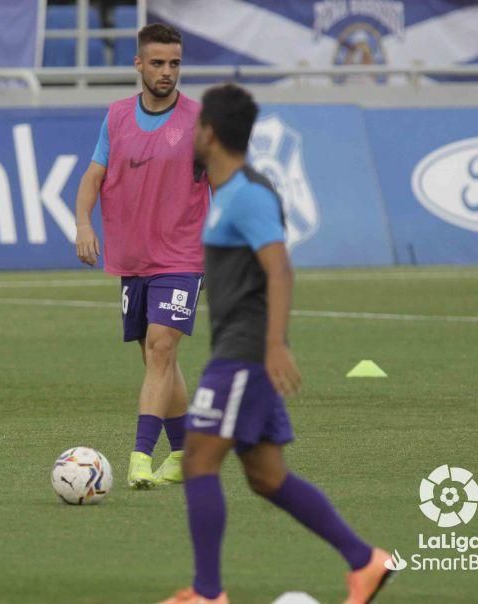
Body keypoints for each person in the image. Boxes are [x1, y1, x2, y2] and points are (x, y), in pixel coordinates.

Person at [158, 83, 393, 604]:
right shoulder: (227, 194)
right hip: (240, 354)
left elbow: (279, 267)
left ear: (210, 134)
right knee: (266, 477)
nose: (192, 133)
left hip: (243, 357)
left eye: (197, 126)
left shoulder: (249, 194)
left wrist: (274, 345)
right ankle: (366, 561)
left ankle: (207, 593)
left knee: (198, 460)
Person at [74, 23, 210, 490]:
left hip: (184, 257)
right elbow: (93, 176)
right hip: (133, 258)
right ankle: (184, 452)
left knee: (161, 348)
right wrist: (83, 224)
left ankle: (137, 458)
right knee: (159, 361)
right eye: (157, 63)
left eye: (174, 63)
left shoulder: (199, 120)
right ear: (138, 64)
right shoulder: (116, 117)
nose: (167, 72)